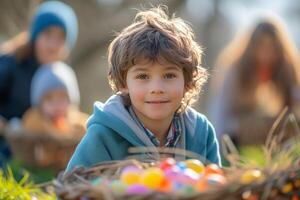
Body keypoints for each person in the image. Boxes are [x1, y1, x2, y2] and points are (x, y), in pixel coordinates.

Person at [66, 6, 221, 171]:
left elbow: (216, 185)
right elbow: (74, 188)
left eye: (169, 75)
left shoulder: (201, 133)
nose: (156, 88)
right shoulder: (102, 136)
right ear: (124, 84)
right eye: (143, 76)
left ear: (187, 81)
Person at [0, 1, 78, 167]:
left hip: (32, 150)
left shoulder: (57, 74)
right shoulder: (11, 63)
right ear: (35, 36)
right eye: (48, 35)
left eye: (60, 38)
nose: (52, 45)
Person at [209, 18, 300, 146]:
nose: (266, 54)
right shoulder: (236, 69)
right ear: (252, 47)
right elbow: (220, 111)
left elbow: (297, 100)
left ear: (280, 49)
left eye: (272, 47)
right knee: (241, 125)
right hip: (237, 130)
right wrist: (216, 148)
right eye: (261, 46)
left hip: (276, 129)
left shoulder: (287, 67)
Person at [22, 61, 88, 137]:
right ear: (39, 105)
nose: (56, 106)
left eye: (62, 98)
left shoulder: (81, 127)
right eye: (49, 99)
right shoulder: (32, 128)